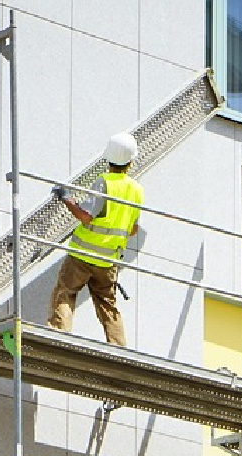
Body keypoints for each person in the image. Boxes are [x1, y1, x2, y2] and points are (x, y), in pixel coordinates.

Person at [47, 132, 144, 348]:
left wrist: (66, 198)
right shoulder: (137, 191)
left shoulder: (104, 183)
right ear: (131, 162)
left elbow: (85, 216)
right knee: (107, 304)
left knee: (65, 292)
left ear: (108, 159)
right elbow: (133, 230)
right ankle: (118, 346)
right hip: (108, 260)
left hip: (82, 255)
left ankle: (58, 335)